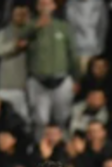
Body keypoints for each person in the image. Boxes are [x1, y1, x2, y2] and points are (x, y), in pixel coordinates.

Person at [26, 0, 78, 139]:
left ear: (54, 6)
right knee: (40, 120)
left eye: (48, 4)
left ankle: (64, 145)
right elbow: (20, 40)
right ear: (37, 7)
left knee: (63, 118)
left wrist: (77, 78)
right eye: (41, 4)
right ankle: (39, 147)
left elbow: (72, 53)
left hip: (61, 79)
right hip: (38, 81)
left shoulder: (63, 27)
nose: (45, 7)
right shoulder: (29, 25)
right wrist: (35, 27)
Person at [0, 2, 32, 123]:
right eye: (18, 14)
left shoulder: (35, 32)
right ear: (12, 15)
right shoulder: (4, 33)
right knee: (7, 120)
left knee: (29, 121)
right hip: (9, 86)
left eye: (24, 14)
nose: (21, 17)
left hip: (31, 85)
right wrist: (15, 45)